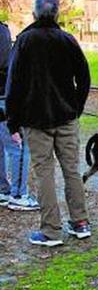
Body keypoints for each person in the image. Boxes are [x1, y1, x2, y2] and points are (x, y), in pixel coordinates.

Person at [6, 0, 91, 246]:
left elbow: (14, 85)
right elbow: (84, 78)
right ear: (57, 14)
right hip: (66, 117)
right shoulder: (67, 40)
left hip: (36, 121)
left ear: (34, 14)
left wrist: (13, 122)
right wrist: (76, 107)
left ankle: (52, 231)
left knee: (44, 174)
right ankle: (80, 222)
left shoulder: (24, 41)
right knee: (71, 171)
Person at [0, 20, 39, 211]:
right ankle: (18, 195)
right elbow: (7, 66)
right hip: (3, 98)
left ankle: (3, 190)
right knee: (18, 146)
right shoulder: (2, 30)